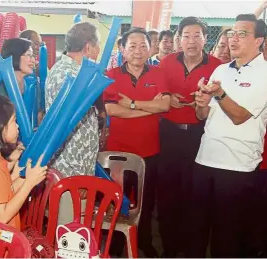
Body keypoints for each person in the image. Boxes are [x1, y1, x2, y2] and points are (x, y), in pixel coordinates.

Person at [190, 14, 267, 257]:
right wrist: (202, 102)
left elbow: (240, 116)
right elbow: (202, 116)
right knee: (197, 230)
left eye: (242, 34)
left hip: (238, 166)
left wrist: (219, 94)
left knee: (227, 236)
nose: (233, 39)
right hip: (205, 158)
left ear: (259, 40)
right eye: (232, 33)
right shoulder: (220, 69)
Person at [157, 17, 222, 257]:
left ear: (206, 38)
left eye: (197, 36)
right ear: (179, 39)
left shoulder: (217, 66)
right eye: (186, 36)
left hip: (201, 135)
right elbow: (157, 90)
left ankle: (193, 249)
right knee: (168, 194)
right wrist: (167, 95)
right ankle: (170, 248)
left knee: (197, 195)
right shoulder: (166, 62)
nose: (191, 41)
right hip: (169, 133)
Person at [104, 28, 170, 258]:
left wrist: (131, 104)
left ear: (150, 48)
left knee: (146, 201)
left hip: (149, 151)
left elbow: (164, 106)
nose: (138, 51)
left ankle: (143, 242)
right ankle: (114, 244)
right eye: (132, 46)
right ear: (122, 49)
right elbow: (111, 109)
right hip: (118, 152)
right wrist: (147, 108)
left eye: (143, 45)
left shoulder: (159, 74)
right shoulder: (111, 74)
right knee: (116, 202)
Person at [45, 22, 101, 224]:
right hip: (70, 170)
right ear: (88, 47)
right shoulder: (71, 75)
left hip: (74, 169)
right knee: (69, 231)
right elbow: (68, 129)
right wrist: (81, 175)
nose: (98, 52)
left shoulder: (69, 71)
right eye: (98, 46)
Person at [0, 94, 47, 233]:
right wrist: (29, 183)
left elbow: (7, 192)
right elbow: (2, 216)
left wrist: (25, 176)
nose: (17, 126)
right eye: (14, 121)